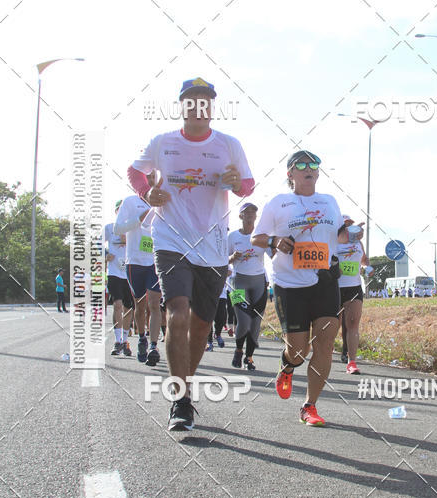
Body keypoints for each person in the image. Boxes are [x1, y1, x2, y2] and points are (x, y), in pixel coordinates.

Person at [128, 76, 254, 431]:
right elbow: (135, 171)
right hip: (171, 239)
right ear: (182, 106)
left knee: (200, 327)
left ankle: (184, 384)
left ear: (212, 107)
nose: (199, 105)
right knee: (177, 314)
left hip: (213, 248)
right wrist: (146, 194)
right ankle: (180, 400)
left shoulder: (229, 145)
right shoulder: (162, 142)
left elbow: (248, 185)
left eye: (205, 99)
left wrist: (236, 184)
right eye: (192, 99)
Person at [252, 149, 362, 426]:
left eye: (314, 164)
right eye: (301, 164)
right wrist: (274, 241)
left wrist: (350, 230)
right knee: (299, 351)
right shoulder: (279, 202)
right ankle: (288, 365)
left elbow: (338, 234)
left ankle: (309, 405)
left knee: (325, 343)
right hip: (290, 284)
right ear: (290, 173)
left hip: (324, 280)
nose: (309, 168)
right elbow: (257, 237)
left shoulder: (330, 202)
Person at [114, 183, 162, 366]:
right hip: (135, 262)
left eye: (154, 177)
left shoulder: (161, 201)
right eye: (147, 176)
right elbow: (118, 229)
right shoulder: (130, 201)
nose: (150, 180)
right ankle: (142, 338)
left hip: (156, 262)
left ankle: (153, 346)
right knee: (139, 307)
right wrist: (139, 219)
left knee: (154, 304)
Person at [228, 202, 269, 371]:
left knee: (255, 324)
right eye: (247, 212)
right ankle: (238, 350)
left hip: (259, 283)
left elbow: (274, 254)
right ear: (240, 216)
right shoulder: (232, 237)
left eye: (253, 212)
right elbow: (223, 260)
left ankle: (249, 358)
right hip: (237, 282)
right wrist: (232, 257)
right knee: (243, 322)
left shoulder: (261, 236)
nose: (251, 214)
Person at [337, 215, 368, 375]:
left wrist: (366, 266)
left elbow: (363, 260)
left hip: (354, 287)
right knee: (331, 326)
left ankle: (352, 362)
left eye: (351, 224)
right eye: (346, 225)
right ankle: (322, 355)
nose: (349, 226)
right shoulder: (333, 241)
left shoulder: (358, 243)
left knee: (353, 324)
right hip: (334, 288)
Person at [104, 201, 134, 356]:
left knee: (129, 308)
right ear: (116, 212)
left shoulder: (134, 229)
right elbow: (96, 243)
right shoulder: (109, 228)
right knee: (117, 305)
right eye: (120, 210)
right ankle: (117, 341)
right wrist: (104, 255)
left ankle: (124, 340)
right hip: (114, 273)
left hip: (130, 273)